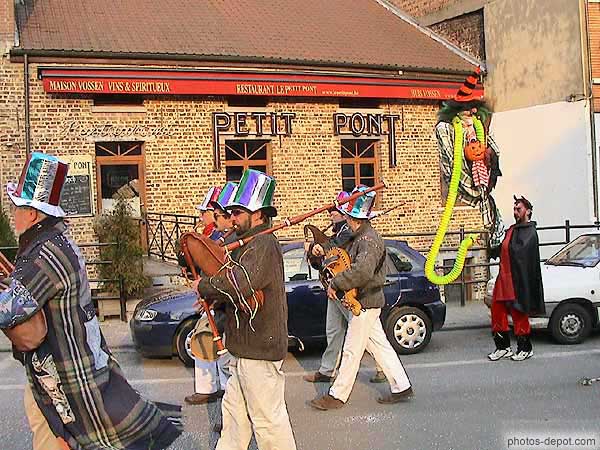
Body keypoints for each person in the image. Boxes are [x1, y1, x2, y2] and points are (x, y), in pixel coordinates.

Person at [0, 153, 182, 450]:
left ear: (32, 214)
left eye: (16, 207)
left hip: (62, 378)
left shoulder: (45, 254)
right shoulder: (54, 242)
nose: (13, 215)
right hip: (55, 374)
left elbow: (7, 311)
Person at [193, 169, 296, 450]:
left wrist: (205, 286)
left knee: (268, 421)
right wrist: (214, 296)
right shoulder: (246, 242)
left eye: (238, 212)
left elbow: (241, 282)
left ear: (258, 214)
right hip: (243, 346)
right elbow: (230, 282)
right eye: (233, 213)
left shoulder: (264, 243)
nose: (233, 218)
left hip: (260, 346)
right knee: (235, 416)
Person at [308, 185, 413, 410]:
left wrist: (336, 283)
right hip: (365, 300)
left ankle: (337, 395)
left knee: (351, 350)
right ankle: (402, 386)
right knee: (380, 346)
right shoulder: (354, 234)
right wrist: (320, 249)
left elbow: (362, 271)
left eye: (346, 213)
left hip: (365, 300)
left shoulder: (368, 240)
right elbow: (334, 246)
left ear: (351, 216)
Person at [303, 192, 386, 384]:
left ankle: (381, 369)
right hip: (335, 286)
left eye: (335, 212)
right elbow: (330, 249)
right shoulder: (341, 231)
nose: (332, 215)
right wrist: (317, 250)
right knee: (334, 331)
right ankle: (327, 370)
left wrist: (319, 248)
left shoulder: (349, 232)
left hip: (348, 289)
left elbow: (336, 250)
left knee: (365, 337)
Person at [184, 183, 236, 407]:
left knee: (224, 354)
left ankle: (223, 393)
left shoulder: (228, 238)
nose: (206, 217)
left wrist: (209, 292)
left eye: (214, 214)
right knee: (208, 342)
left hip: (224, 299)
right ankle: (211, 389)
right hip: (214, 295)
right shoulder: (215, 235)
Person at [487, 195, 544, 361]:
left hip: (517, 279)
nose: (515, 212)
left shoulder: (530, 232)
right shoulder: (512, 229)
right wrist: (494, 247)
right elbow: (505, 248)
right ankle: (502, 347)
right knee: (497, 311)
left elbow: (521, 255)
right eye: (514, 209)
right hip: (503, 278)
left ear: (528, 211)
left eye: (518, 209)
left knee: (519, 313)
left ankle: (525, 348)